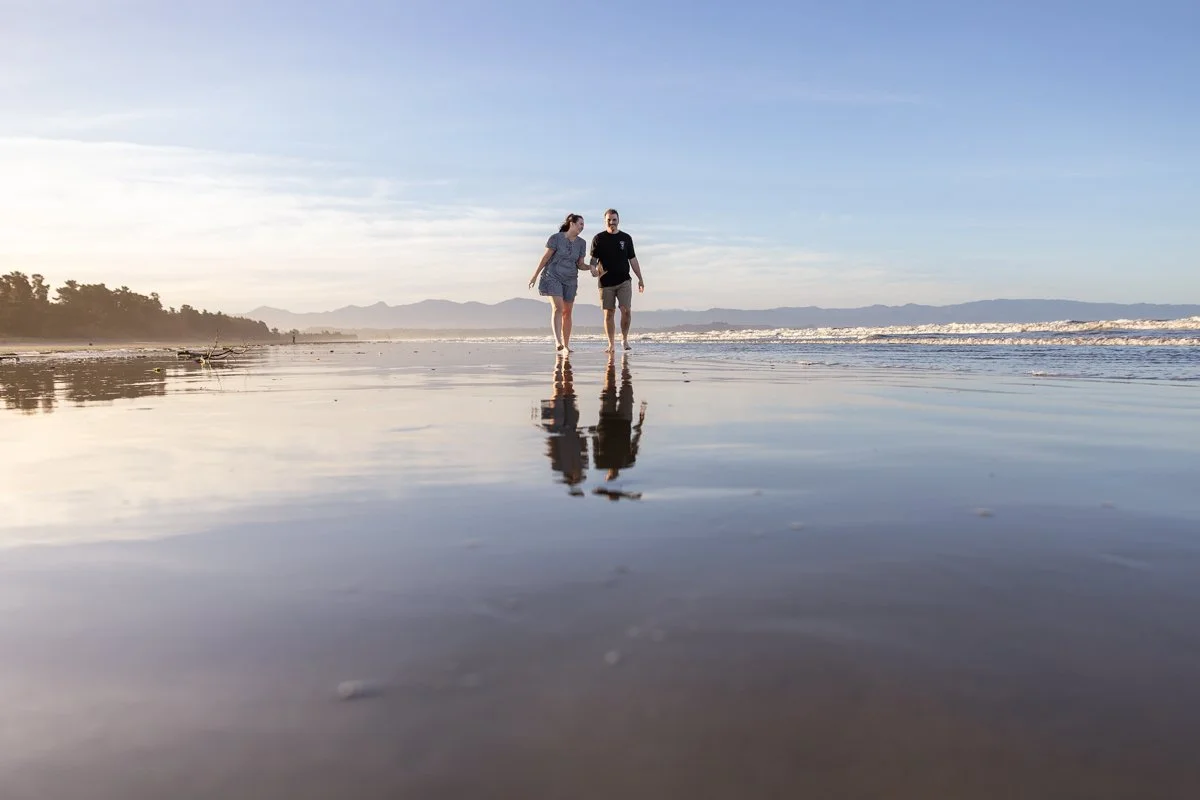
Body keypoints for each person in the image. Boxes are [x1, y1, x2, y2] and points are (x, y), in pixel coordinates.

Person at [528, 214, 591, 353]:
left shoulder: (582, 243)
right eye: (580, 224)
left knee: (567, 312)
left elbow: (580, 264)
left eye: (583, 224)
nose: (582, 227)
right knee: (558, 308)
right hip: (553, 276)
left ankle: (566, 346)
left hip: (571, 279)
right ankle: (558, 341)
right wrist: (535, 275)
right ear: (572, 223)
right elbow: (545, 258)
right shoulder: (555, 238)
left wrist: (591, 268)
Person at [588, 208, 645, 352]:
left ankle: (624, 339)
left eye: (614, 219)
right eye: (609, 220)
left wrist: (640, 278)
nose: (612, 222)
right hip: (605, 282)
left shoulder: (626, 238)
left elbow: (633, 259)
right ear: (605, 221)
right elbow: (593, 260)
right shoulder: (598, 238)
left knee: (626, 310)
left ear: (618, 220)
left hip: (624, 280)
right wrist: (592, 268)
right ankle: (611, 344)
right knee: (609, 313)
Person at [591, 353, 646, 482]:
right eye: (612, 476)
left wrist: (594, 431)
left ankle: (612, 361)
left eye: (609, 476)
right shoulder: (627, 462)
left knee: (610, 386)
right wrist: (640, 422)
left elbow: (595, 443)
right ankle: (623, 364)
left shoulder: (600, 464)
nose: (611, 473)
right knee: (626, 386)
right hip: (624, 421)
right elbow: (635, 442)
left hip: (606, 420)